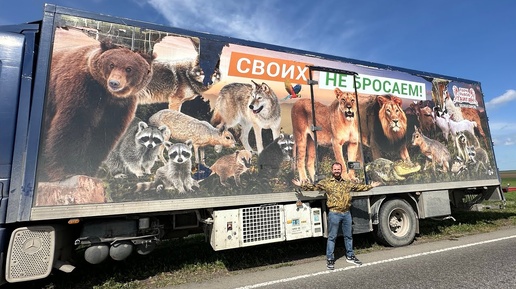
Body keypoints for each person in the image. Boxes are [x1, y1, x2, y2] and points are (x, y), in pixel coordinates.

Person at [292, 162, 379, 270]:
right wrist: (301, 185)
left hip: (346, 213)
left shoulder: (347, 183)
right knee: (332, 237)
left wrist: (371, 186)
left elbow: (358, 187)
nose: (337, 171)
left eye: (338, 169)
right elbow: (314, 187)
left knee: (348, 236)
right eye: (335, 169)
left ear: (341, 170)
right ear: (332, 170)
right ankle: (330, 259)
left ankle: (350, 256)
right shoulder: (327, 183)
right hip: (334, 214)